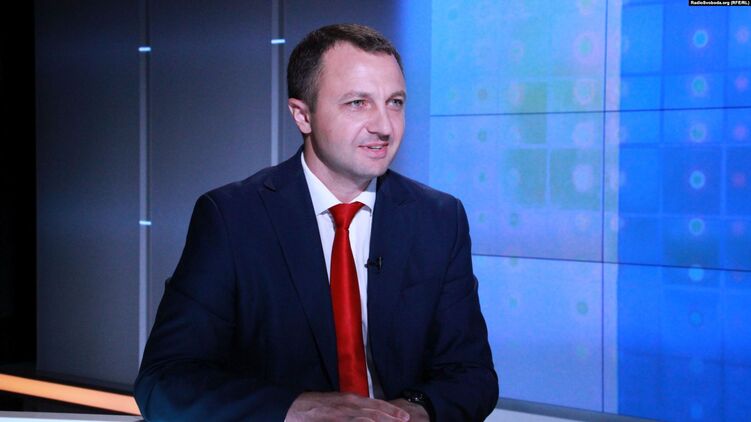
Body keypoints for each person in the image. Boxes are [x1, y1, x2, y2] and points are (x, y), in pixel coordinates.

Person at [134, 23, 498, 421]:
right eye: (358, 103)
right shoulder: (232, 218)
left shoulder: (439, 219)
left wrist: (406, 413)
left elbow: (472, 375)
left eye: (395, 102)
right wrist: (294, 410)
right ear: (302, 115)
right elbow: (165, 380)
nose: (384, 126)